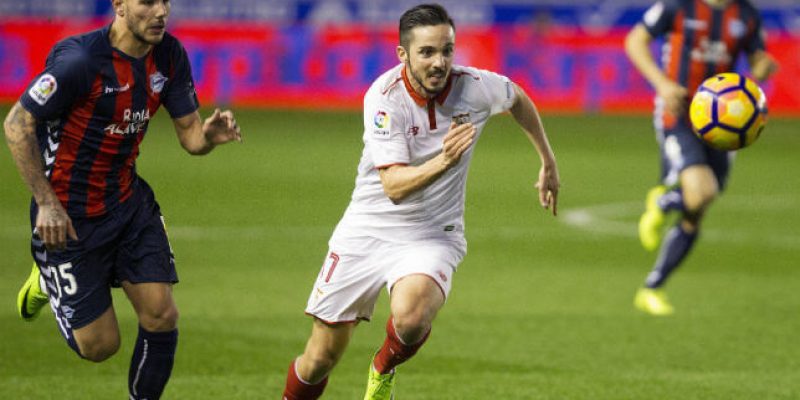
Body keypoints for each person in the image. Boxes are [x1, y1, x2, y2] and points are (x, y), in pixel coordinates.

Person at [281, 4, 559, 399]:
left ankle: (382, 370)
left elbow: (517, 99)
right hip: (367, 229)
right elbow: (394, 187)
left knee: (411, 318)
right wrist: (444, 161)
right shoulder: (384, 98)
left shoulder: (475, 87)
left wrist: (547, 161)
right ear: (403, 54)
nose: (439, 62)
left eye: (447, 50)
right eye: (427, 52)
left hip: (432, 233)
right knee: (320, 358)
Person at [5, 0, 241, 398]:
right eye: (147, 2)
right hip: (66, 214)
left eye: (165, 1)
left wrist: (208, 137)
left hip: (128, 203)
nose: (161, 11)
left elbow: (190, 135)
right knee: (100, 346)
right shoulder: (81, 62)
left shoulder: (169, 55)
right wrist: (45, 203)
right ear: (118, 5)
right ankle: (46, 279)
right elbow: (16, 123)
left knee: (161, 314)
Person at [625, 0, 778, 315]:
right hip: (679, 113)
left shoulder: (747, 14)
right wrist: (662, 84)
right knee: (702, 191)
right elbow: (635, 41)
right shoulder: (678, 6)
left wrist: (762, 68)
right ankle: (664, 202)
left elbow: (756, 61)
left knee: (698, 207)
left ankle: (652, 287)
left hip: (725, 122)